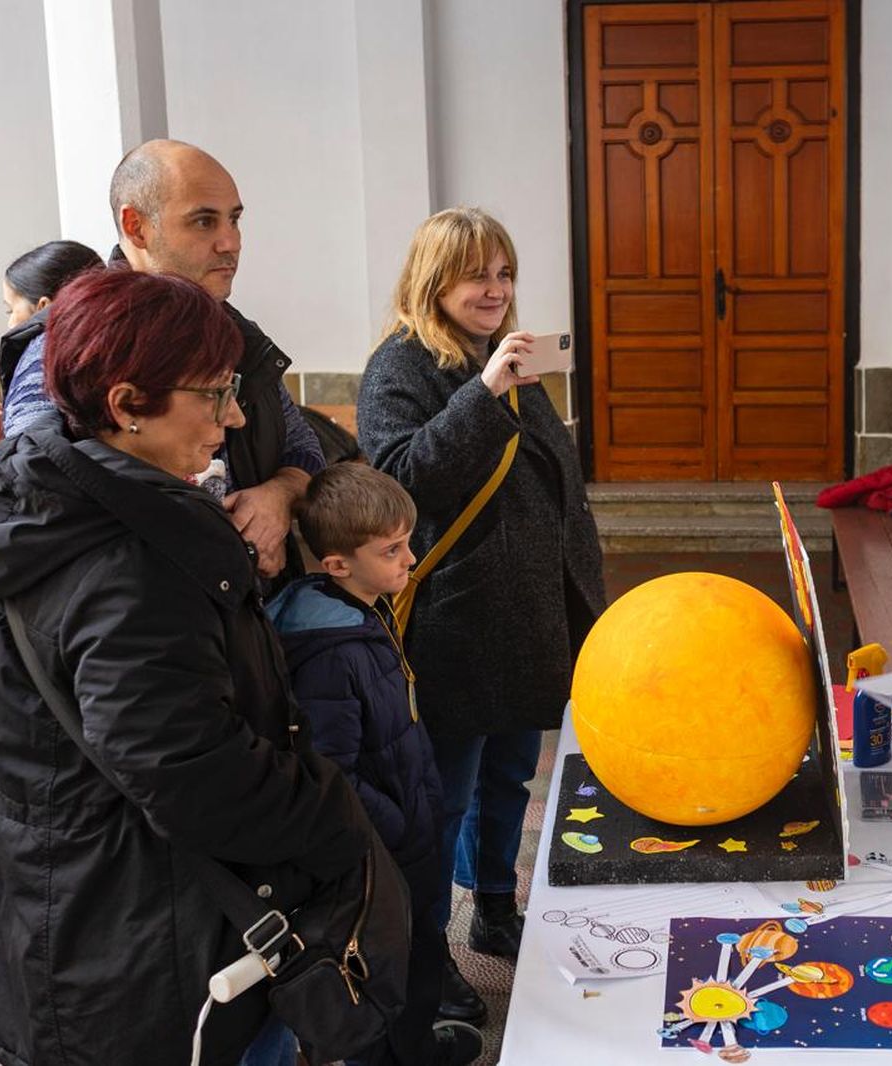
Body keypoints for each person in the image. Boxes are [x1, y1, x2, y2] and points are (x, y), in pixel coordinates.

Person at [0, 268, 374, 1066]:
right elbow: (191, 773)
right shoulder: (132, 562)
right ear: (127, 403)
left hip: (66, 916)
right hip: (145, 948)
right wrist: (336, 816)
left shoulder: (31, 503)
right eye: (214, 394)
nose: (235, 417)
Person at [356, 207, 605, 1024]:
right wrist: (485, 391)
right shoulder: (400, 366)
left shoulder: (501, 354)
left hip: (526, 615)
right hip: (458, 624)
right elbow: (399, 481)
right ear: (434, 281)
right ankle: (426, 956)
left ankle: (494, 905)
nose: (495, 290)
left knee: (509, 775)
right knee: (441, 799)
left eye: (504, 273)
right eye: (476, 276)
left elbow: (553, 482)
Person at [0, 139, 325, 583]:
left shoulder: (234, 332)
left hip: (245, 611)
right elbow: (34, 488)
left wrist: (278, 496)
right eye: (203, 221)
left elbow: (304, 448)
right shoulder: (71, 341)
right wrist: (209, 543)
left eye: (235, 219)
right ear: (137, 227)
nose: (231, 242)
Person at [266, 462, 483, 1066]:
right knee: (386, 970)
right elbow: (332, 771)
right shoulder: (328, 655)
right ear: (338, 564)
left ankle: (417, 1048)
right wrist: (398, 824)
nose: (409, 559)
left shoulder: (363, 609)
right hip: (382, 847)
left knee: (417, 956)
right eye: (391, 550)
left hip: (405, 829)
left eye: (407, 542)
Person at [0, 239, 104, 469]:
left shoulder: (44, 357)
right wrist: (10, 434)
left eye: (11, 310)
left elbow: (30, 475)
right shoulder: (109, 353)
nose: (10, 323)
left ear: (43, 307)